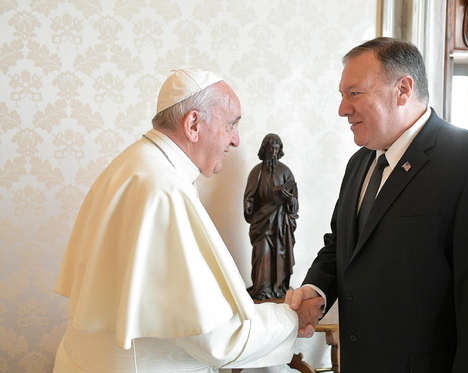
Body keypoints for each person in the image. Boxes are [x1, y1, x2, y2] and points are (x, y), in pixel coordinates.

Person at [287, 37, 468, 372]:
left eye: (354, 93)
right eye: (342, 95)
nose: (343, 108)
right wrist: (317, 288)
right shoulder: (359, 163)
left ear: (403, 89)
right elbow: (343, 245)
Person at [53, 68, 323, 373]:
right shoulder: (163, 189)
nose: (236, 140)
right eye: (232, 125)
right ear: (193, 124)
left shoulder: (136, 163)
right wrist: (291, 319)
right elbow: (219, 338)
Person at [244, 133, 298, 300]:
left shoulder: (286, 172)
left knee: (280, 256)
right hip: (262, 223)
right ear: (264, 149)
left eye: (276, 149)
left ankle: (279, 289)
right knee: (263, 254)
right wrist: (248, 205)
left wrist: (289, 200)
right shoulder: (256, 172)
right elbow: (249, 197)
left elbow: (294, 203)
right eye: (270, 148)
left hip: (281, 225)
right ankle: (262, 289)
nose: (273, 152)